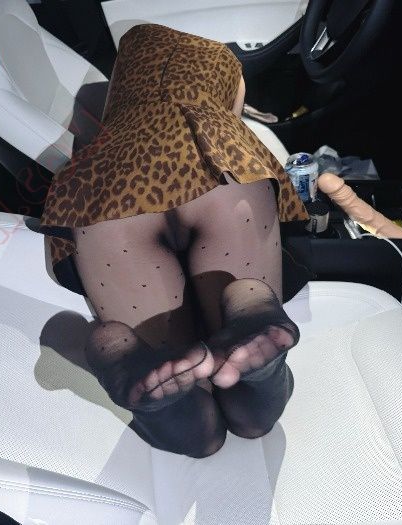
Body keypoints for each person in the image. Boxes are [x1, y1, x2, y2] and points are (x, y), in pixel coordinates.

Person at [40, 24, 309, 457]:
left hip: (110, 180)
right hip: (219, 161)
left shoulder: (131, 50)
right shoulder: (230, 66)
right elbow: (230, 118)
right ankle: (252, 311)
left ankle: (135, 370)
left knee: (197, 431)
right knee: (253, 417)